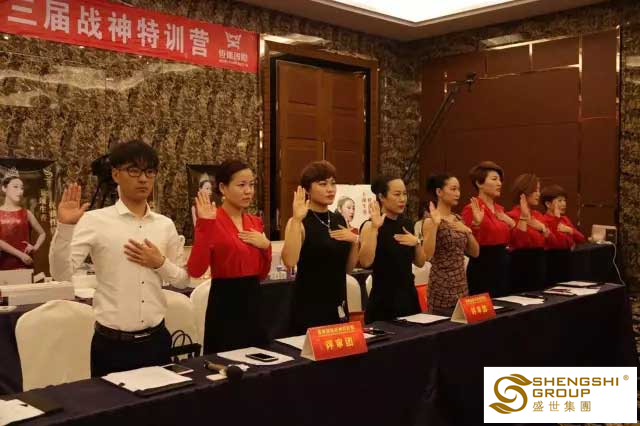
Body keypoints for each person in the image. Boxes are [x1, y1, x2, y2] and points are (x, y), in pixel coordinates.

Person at [49, 140, 189, 376]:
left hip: (157, 340)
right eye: (133, 171)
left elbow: (183, 280)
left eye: (149, 172)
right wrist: (65, 227)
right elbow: (61, 274)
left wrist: (160, 263)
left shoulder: (165, 225)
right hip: (112, 345)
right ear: (115, 174)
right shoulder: (95, 220)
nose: (143, 179)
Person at [187, 160, 271, 353]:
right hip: (225, 302)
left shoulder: (255, 222)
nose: (248, 191)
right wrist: (204, 225)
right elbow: (196, 270)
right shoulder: (212, 219)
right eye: (241, 185)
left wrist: (266, 246)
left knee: (260, 361)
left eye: (251, 185)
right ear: (223, 188)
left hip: (254, 300)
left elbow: (262, 274)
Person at [282, 161, 358, 334]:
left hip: (338, 301)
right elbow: (290, 261)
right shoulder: (299, 221)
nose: (330, 189)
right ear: (307, 189)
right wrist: (296, 219)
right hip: (309, 304)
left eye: (333, 183)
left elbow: (348, 269)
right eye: (323, 184)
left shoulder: (339, 219)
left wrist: (355, 241)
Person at [359, 176, 426, 322]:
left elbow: (421, 263)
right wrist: (374, 228)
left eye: (405, 194)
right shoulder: (370, 225)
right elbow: (365, 262)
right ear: (382, 197)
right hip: (383, 301)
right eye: (397, 194)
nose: (402, 199)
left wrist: (417, 243)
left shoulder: (407, 224)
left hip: (409, 298)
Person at [462, 161, 528, 297]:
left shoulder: (500, 210)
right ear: (479, 183)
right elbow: (468, 246)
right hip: (483, 267)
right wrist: (476, 224)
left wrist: (522, 218)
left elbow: (518, 242)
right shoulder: (471, 209)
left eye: (500, 180)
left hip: (503, 267)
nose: (499, 183)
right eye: (494, 179)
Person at [422, 174, 479, 313]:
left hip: (461, 285)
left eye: (458, 189)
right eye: (453, 189)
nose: (457, 193)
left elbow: (475, 253)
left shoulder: (458, 219)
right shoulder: (430, 220)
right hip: (441, 286)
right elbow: (427, 255)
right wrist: (435, 224)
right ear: (439, 192)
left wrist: (468, 231)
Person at [506, 173, 556, 292]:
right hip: (520, 267)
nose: (539, 194)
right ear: (524, 192)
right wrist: (524, 218)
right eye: (535, 190)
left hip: (539, 265)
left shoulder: (538, 215)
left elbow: (552, 242)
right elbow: (519, 243)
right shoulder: (511, 215)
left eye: (539, 190)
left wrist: (542, 228)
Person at [0, 171, 46, 270]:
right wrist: (20, 255)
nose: (20, 191)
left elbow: (42, 233)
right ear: (4, 188)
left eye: (22, 188)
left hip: (25, 263)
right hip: (3, 263)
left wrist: (35, 247)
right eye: (15, 187)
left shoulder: (26, 213)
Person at [540, 184, 586, 284]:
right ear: (548, 204)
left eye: (564, 200)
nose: (564, 204)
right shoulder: (544, 220)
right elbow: (557, 244)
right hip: (552, 261)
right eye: (559, 201)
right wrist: (556, 219)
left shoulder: (564, 219)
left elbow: (582, 239)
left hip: (567, 259)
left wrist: (570, 230)